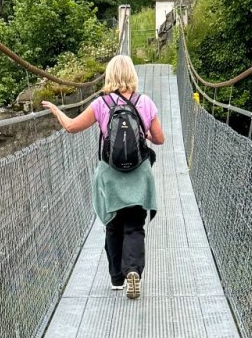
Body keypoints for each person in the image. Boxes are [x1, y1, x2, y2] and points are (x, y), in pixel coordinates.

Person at [44, 55, 165, 299]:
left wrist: (57, 111)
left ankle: (117, 279)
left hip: (110, 174)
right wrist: (146, 137)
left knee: (113, 225)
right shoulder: (145, 102)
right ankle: (133, 271)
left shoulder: (101, 104)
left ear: (109, 75)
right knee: (134, 226)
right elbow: (159, 139)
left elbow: (71, 127)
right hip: (139, 175)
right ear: (132, 75)